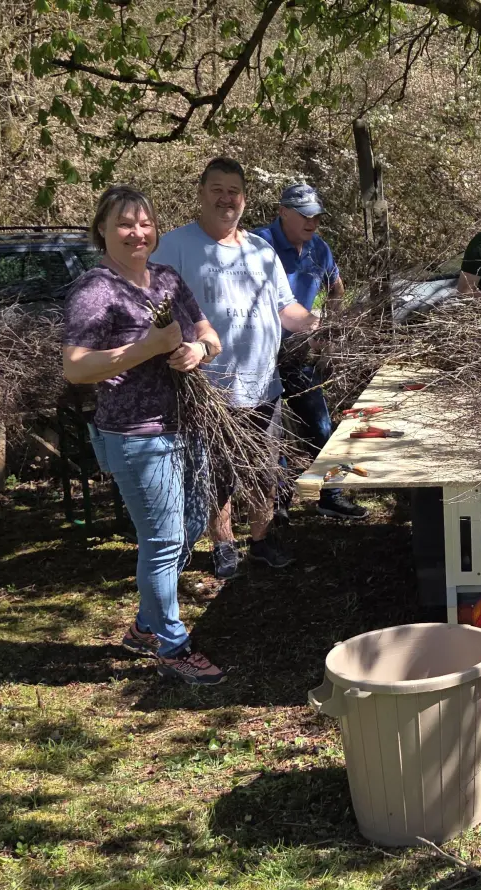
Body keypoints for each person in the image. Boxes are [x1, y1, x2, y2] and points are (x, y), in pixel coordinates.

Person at [62, 185, 227, 685]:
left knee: (194, 522)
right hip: (136, 434)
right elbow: (75, 369)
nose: (137, 233)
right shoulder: (96, 289)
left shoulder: (168, 279)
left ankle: (143, 626)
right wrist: (149, 346)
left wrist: (199, 351)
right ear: (103, 232)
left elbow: (208, 333)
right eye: (124, 225)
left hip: (186, 423)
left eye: (144, 223)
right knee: (162, 539)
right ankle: (172, 645)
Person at [153, 157, 324, 579]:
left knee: (263, 469)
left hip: (264, 385)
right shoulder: (174, 246)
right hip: (208, 389)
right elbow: (154, 310)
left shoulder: (261, 250)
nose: (225, 198)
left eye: (233, 191)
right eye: (217, 189)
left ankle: (262, 540)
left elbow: (286, 309)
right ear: (201, 192)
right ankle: (224, 545)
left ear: (244, 200)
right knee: (218, 472)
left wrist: (320, 324)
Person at [252, 183, 366, 522]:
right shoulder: (257, 245)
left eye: (316, 217)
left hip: (300, 350)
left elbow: (336, 286)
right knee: (272, 433)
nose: (312, 223)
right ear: (283, 211)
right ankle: (278, 502)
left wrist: (331, 326)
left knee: (320, 426)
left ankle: (330, 496)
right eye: (304, 216)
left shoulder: (319, 249)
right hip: (260, 353)